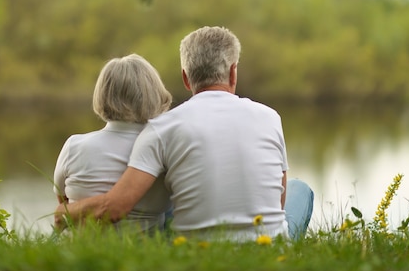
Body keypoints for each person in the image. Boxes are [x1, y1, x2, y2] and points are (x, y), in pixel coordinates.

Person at [55, 26, 313, 240]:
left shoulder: (163, 127)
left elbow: (116, 205)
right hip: (269, 248)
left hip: (196, 249)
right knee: (300, 189)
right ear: (233, 72)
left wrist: (63, 212)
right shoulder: (270, 116)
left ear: (186, 78)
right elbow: (278, 201)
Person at [53, 54, 173, 233]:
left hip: (82, 247)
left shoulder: (74, 146)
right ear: (154, 94)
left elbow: (63, 202)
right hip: (148, 247)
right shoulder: (164, 146)